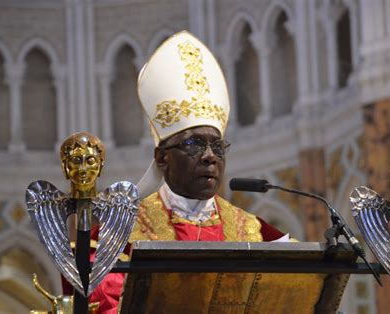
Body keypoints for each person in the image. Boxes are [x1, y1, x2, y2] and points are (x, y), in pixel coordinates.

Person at [85, 31, 285, 313]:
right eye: (194, 144)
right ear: (162, 158)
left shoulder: (259, 233)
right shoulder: (117, 237)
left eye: (218, 146)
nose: (209, 157)